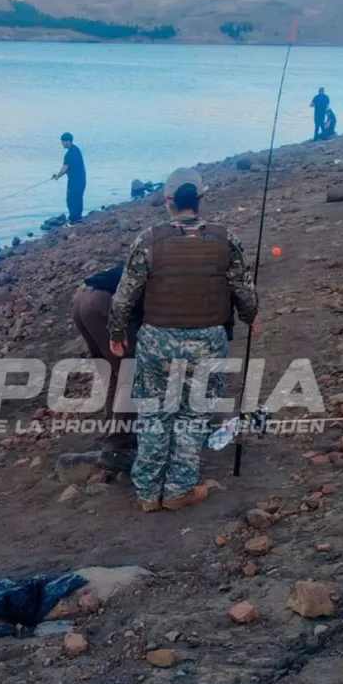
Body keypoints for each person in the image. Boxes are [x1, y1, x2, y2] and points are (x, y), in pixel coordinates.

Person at [108, 167, 258, 513]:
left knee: (154, 414)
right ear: (201, 199)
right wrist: (251, 317)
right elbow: (244, 291)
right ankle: (179, 489)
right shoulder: (226, 240)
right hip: (208, 342)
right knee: (193, 415)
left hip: (156, 342)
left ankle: (148, 492)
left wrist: (117, 333)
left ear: (168, 201)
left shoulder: (148, 240)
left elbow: (124, 296)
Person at [71, 263, 140, 461]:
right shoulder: (165, 274)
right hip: (102, 302)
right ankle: (118, 444)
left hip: (81, 297)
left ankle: (113, 426)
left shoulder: (145, 257)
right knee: (130, 373)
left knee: (110, 373)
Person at [54, 132, 86, 223]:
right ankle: (78, 218)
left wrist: (57, 176)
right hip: (81, 179)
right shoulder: (76, 149)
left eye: (63, 142)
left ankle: (74, 219)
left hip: (75, 181)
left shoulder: (69, 154)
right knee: (78, 198)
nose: (62, 144)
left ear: (68, 141)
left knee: (71, 200)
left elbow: (65, 168)